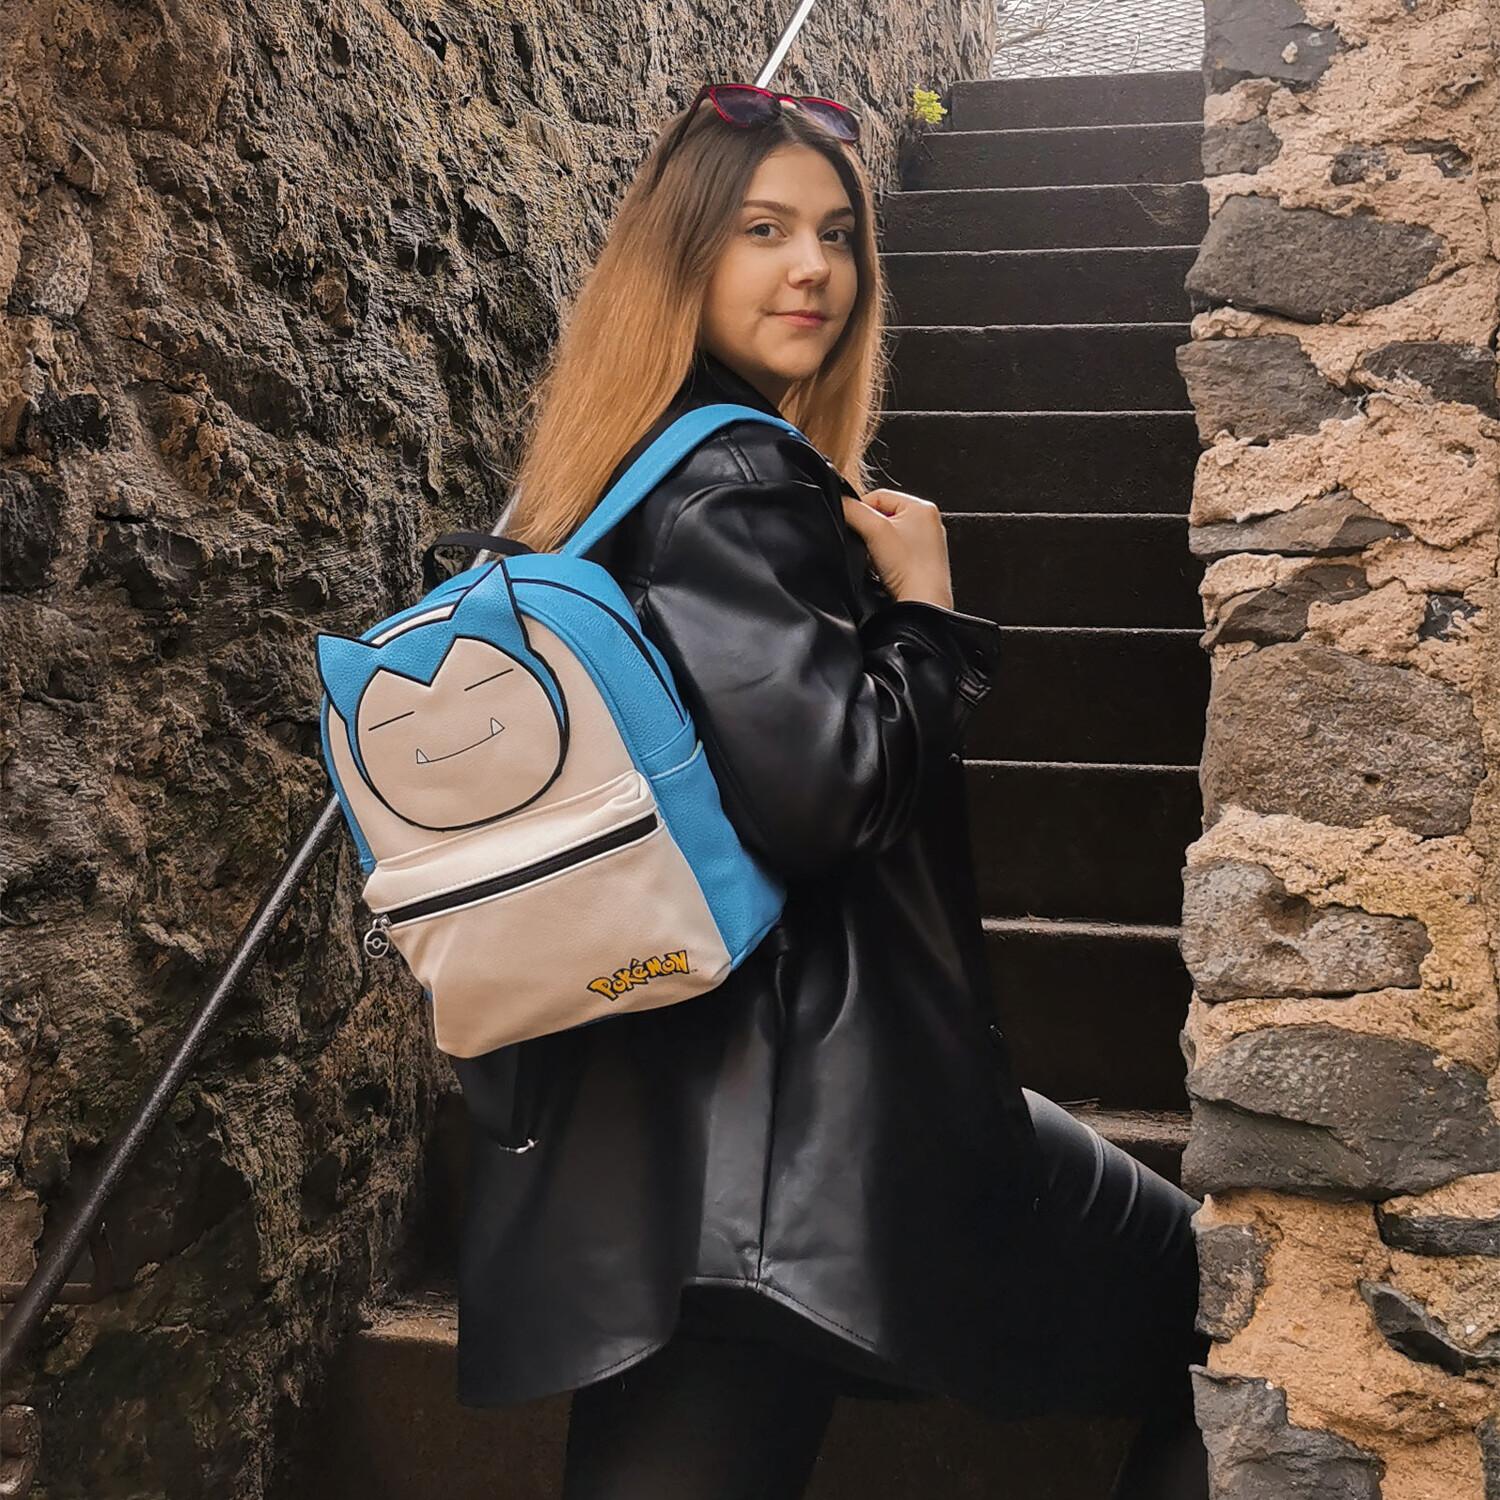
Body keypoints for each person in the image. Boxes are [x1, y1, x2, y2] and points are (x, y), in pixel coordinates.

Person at [448, 83, 1211, 1499]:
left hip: (663, 1134)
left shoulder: (614, 484)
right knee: (1229, 1321)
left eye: (839, 234)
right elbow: (830, 796)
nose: (814, 268)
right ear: (681, 257)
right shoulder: (739, 477)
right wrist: (925, 617)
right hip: (812, 1135)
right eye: (763, 230)